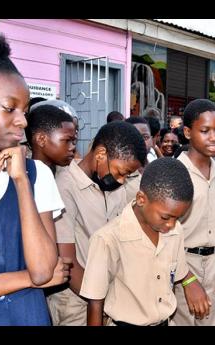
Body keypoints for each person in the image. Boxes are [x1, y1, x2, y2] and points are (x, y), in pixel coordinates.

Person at [0, 31, 69, 325]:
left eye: (24, 110)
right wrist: (24, 279)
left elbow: (45, 271)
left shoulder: (36, 175)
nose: (22, 120)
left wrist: (21, 182)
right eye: (10, 108)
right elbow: (37, 277)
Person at [80, 158, 211, 326]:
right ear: (141, 199)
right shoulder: (108, 239)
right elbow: (95, 303)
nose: (171, 224)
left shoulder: (174, 231)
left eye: (177, 218)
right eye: (165, 217)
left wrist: (190, 282)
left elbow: (178, 272)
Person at [47, 121, 147, 326]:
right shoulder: (65, 187)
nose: (121, 181)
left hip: (108, 299)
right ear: (101, 154)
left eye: (128, 176)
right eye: (121, 172)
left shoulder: (115, 188)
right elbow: (67, 261)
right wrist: (99, 303)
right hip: (75, 303)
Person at [172, 98, 215, 326]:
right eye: (205, 130)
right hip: (181, 264)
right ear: (188, 132)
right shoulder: (174, 173)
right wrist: (187, 278)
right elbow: (161, 232)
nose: (214, 137)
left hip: (213, 264)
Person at [25, 104, 77, 175]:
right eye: (67, 140)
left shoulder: (70, 176)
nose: (73, 147)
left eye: (73, 141)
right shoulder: (22, 175)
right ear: (41, 139)